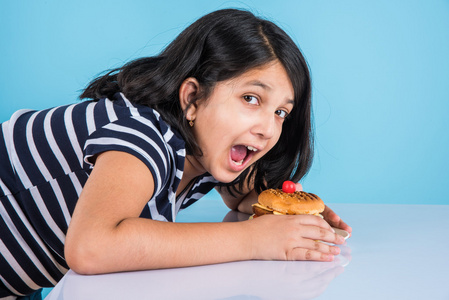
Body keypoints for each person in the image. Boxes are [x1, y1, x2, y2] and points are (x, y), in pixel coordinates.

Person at [0, 8, 351, 299]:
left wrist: (278, 211)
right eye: (250, 99)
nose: (269, 128)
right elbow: (92, 247)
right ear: (193, 98)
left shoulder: (202, 148)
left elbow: (239, 195)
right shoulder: (142, 134)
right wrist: (255, 239)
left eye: (280, 112)